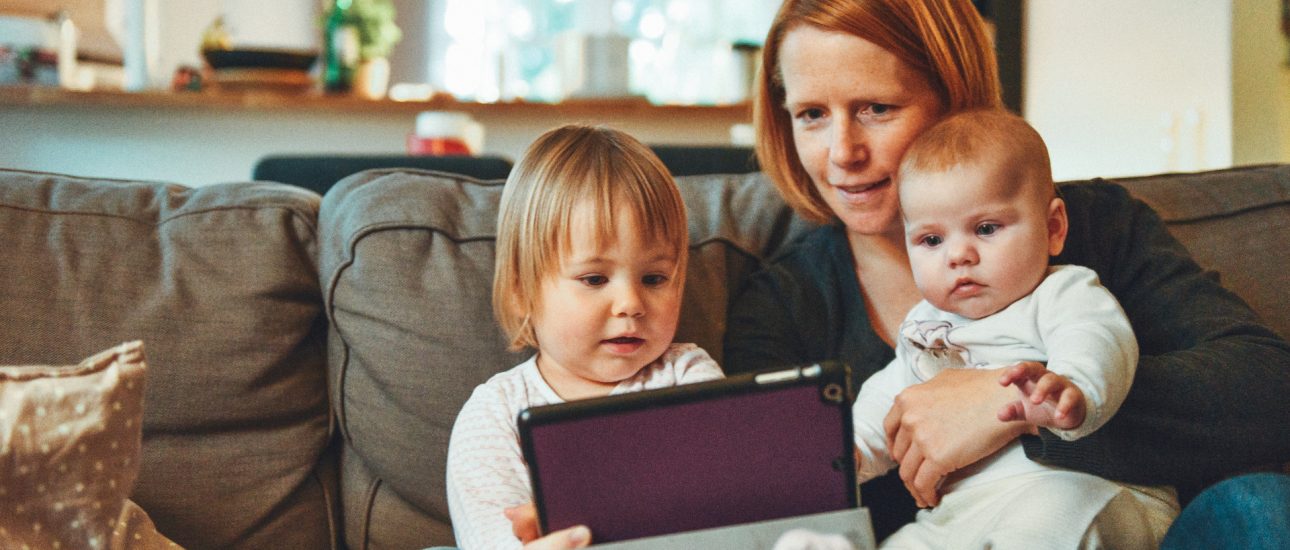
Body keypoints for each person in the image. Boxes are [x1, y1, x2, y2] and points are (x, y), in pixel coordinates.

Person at [722, 0, 1290, 543]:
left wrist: (1011, 409)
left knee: (1258, 507)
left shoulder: (1095, 230)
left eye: (877, 108)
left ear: (955, 99)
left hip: (1100, 525)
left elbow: (1267, 389)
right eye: (812, 115)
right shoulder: (781, 304)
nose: (843, 151)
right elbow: (778, 498)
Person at [850, 109, 1176, 547]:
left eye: (986, 229)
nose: (958, 255)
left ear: (1053, 228)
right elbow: (891, 398)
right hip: (962, 513)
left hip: (1082, 490)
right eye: (931, 240)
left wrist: (1071, 390)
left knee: (1043, 527)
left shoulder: (1062, 292)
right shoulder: (924, 325)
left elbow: (1098, 340)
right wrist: (846, 452)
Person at [445, 124, 724, 549]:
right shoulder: (495, 415)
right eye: (594, 279)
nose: (630, 303)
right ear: (522, 291)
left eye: (654, 278)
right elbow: (492, 539)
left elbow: (727, 506)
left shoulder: (687, 378)